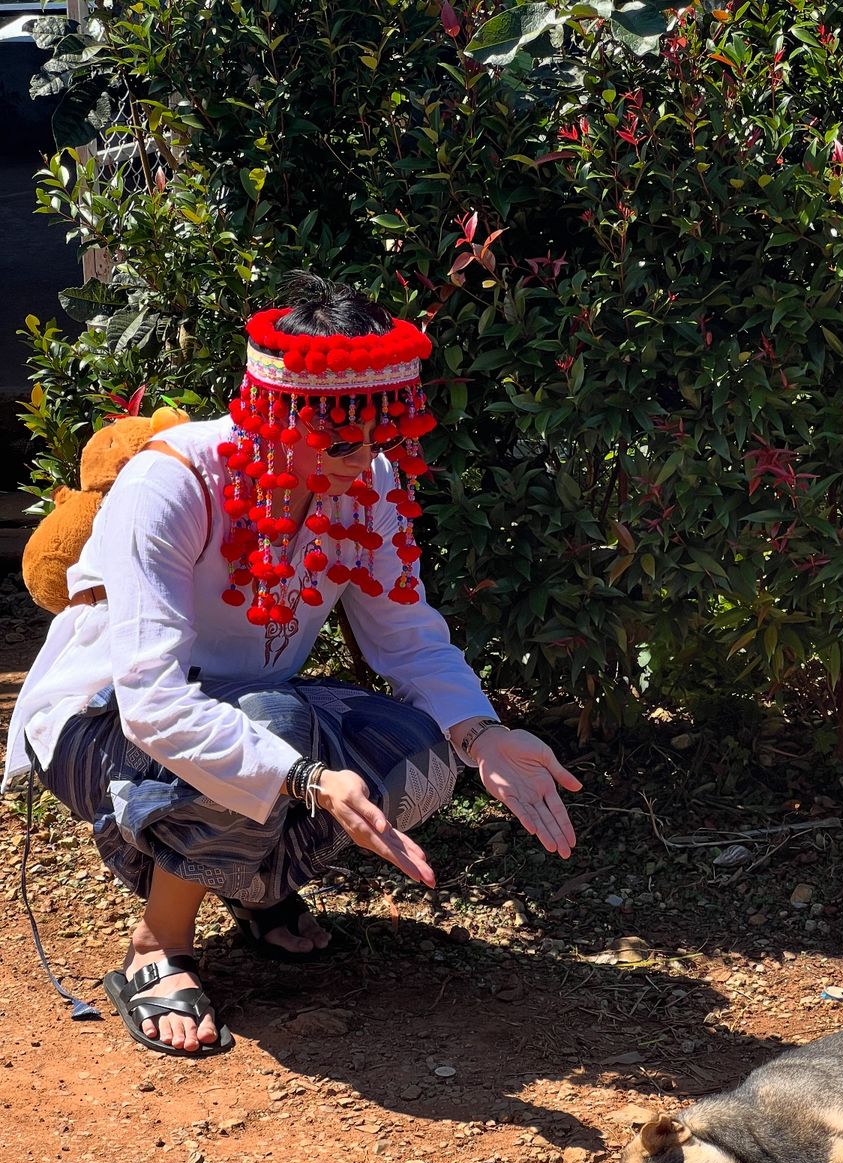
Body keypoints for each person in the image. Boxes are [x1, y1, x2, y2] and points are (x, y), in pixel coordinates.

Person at [3, 273, 582, 1058]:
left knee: (417, 749)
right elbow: (150, 699)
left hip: (248, 710)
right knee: (278, 730)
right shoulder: (167, 484)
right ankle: (157, 945)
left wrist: (481, 736)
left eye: (381, 438)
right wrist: (307, 779)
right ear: (277, 413)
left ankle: (253, 884)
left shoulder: (365, 481)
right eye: (343, 441)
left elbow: (406, 636)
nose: (366, 461)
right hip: (100, 724)